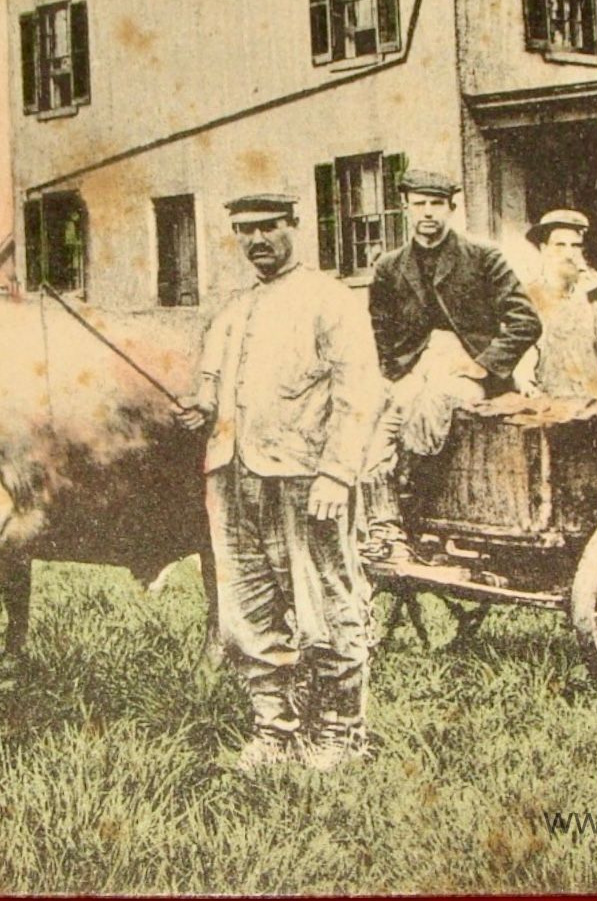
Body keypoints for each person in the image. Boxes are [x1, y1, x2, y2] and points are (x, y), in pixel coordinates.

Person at [176, 193, 384, 773]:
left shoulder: (330, 302)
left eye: (268, 227)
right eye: (245, 231)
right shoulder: (233, 310)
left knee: (325, 604)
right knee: (246, 611)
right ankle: (274, 731)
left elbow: (359, 395)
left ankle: (339, 735)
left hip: (305, 480)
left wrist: (337, 473)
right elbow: (213, 388)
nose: (257, 240)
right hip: (233, 476)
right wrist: (202, 410)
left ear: (295, 226)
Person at [363, 169, 541, 562]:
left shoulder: (482, 257)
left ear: (451, 208)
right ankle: (384, 527)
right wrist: (392, 372)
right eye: (419, 204)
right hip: (413, 367)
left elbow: (526, 320)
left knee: (435, 406)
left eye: (436, 204)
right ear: (406, 208)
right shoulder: (389, 267)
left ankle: (418, 514)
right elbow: (379, 328)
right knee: (375, 424)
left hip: (466, 370)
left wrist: (484, 365)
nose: (427, 213)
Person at [520, 209, 597, 400]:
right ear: (543, 248)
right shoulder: (529, 297)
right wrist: (525, 382)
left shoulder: (593, 297)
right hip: (550, 404)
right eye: (560, 245)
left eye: (575, 246)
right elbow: (522, 355)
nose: (568, 253)